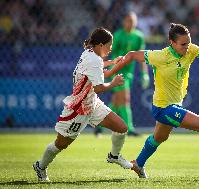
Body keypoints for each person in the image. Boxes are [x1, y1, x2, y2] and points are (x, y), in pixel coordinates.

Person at [117, 23, 199, 178]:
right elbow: (132, 55)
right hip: (163, 108)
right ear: (171, 42)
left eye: (188, 42)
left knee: (159, 138)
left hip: (174, 104)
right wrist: (115, 67)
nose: (187, 47)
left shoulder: (191, 49)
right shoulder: (160, 56)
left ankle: (138, 164)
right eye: (183, 44)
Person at [32, 27, 133, 182]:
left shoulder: (90, 53)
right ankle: (40, 166)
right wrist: (113, 84)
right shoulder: (93, 59)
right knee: (61, 144)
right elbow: (98, 87)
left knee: (121, 128)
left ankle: (114, 156)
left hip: (92, 103)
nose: (111, 48)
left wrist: (112, 62)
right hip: (79, 109)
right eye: (109, 45)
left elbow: (99, 72)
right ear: (100, 45)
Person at [94, 12, 149, 137]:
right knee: (125, 99)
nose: (131, 23)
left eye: (133, 21)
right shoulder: (118, 36)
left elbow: (142, 57)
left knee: (117, 102)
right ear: (124, 22)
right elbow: (109, 52)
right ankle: (129, 128)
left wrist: (144, 73)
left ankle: (99, 125)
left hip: (129, 73)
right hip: (117, 71)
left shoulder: (139, 36)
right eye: (128, 21)